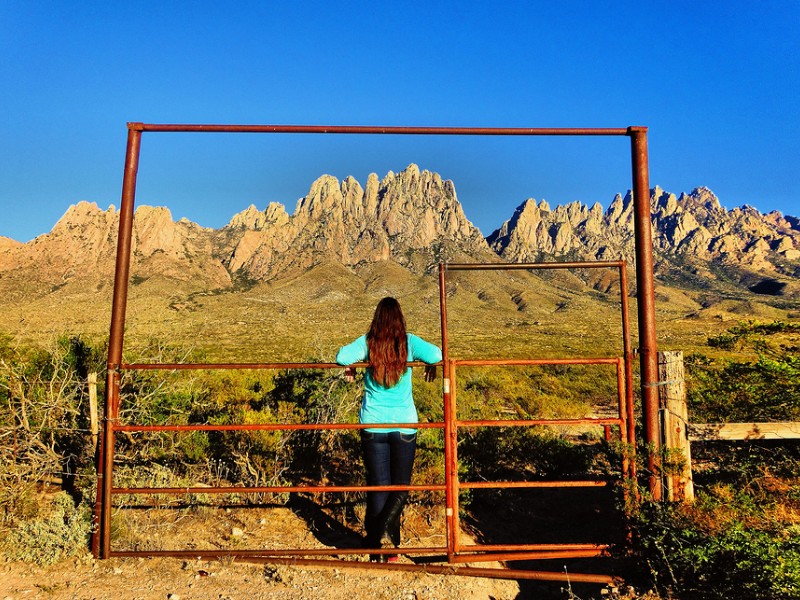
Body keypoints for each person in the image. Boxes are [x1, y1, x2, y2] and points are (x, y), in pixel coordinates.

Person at [336, 297, 442, 562]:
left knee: (378, 486)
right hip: (404, 425)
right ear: (400, 319)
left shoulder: (368, 343)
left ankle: (376, 545)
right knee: (400, 487)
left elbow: (341, 356)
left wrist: (351, 364)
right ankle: (388, 544)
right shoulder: (409, 342)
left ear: (377, 318)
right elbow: (438, 354)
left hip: (373, 424)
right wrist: (429, 364)